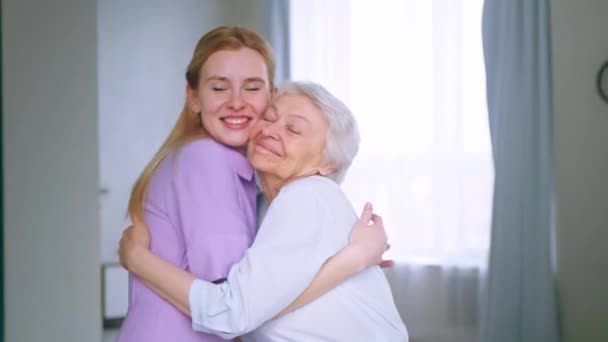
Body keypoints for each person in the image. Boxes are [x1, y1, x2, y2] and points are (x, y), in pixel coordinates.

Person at [117, 26, 391, 342]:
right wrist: (352, 260)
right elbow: (235, 310)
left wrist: (351, 258)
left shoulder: (272, 192)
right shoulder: (208, 159)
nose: (236, 102)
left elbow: (245, 309)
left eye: (252, 88)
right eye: (219, 88)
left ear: (269, 93)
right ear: (194, 98)